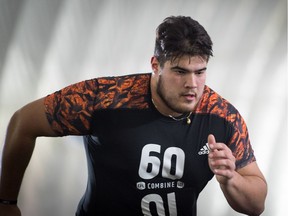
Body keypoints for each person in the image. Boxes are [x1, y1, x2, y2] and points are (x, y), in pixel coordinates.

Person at [0, 16, 267, 216]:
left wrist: (231, 179)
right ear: (155, 65)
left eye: (200, 72)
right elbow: (23, 122)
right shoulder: (105, 97)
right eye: (180, 72)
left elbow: (256, 205)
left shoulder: (221, 116)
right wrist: (7, 202)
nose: (192, 85)